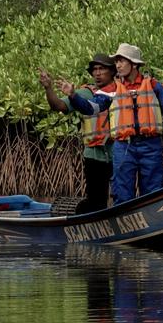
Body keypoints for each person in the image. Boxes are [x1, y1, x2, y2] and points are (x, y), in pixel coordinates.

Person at [60, 43, 163, 204]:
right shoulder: (112, 89)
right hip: (124, 147)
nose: (118, 65)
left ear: (134, 64)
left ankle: (151, 222)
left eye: (122, 61)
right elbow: (91, 108)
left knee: (153, 194)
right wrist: (73, 95)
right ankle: (125, 225)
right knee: (122, 195)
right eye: (117, 61)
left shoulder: (154, 86)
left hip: (151, 146)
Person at [38, 53, 117, 213]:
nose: (97, 73)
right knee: (96, 202)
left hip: (120, 153)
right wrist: (48, 88)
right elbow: (59, 106)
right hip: (94, 155)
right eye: (94, 69)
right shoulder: (86, 93)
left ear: (113, 72)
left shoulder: (122, 91)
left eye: (102, 69)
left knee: (122, 197)